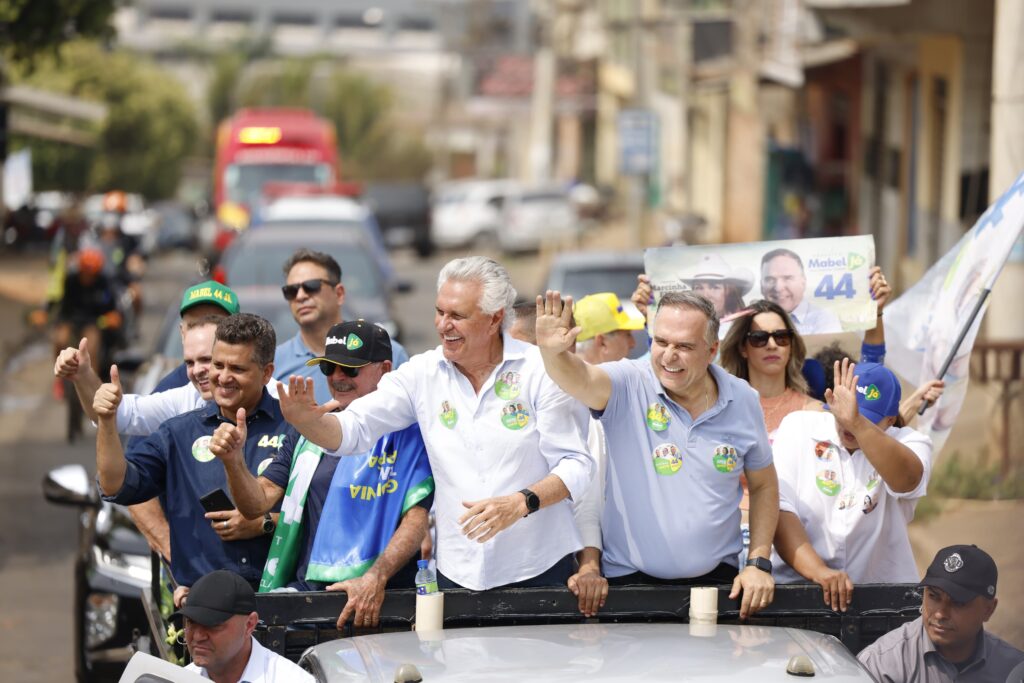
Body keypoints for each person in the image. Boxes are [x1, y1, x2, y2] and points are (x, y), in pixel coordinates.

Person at [278, 256, 593, 591]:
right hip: (458, 573)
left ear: (494, 319)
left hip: (538, 567)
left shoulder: (540, 369)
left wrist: (519, 503)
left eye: (457, 315)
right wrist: (308, 423)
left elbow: (576, 464)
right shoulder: (422, 373)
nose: (443, 325)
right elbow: (355, 429)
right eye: (440, 312)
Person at [536, 289, 778, 619]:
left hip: (718, 585)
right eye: (661, 342)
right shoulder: (628, 383)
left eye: (684, 346)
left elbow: (764, 485)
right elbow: (581, 378)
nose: (669, 356)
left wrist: (758, 563)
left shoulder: (743, 398)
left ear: (712, 350)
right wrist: (553, 355)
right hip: (630, 585)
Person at [209, 320, 433, 628]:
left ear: (385, 369)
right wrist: (233, 462)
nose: (338, 377)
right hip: (311, 598)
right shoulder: (309, 428)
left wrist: (375, 578)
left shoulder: (411, 432)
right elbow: (256, 504)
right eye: (329, 367)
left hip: (380, 601)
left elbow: (416, 521)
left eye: (350, 369)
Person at [94, 314, 287, 592]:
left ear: (267, 373)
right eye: (218, 365)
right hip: (203, 604)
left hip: (284, 601)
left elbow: (320, 517)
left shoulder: (295, 428)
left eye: (237, 368)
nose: (223, 377)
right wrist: (106, 421)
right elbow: (116, 484)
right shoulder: (178, 433)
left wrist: (264, 523)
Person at [771, 359, 933, 611]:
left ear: (890, 420)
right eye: (843, 414)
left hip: (881, 600)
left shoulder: (912, 442)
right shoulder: (798, 427)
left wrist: (857, 423)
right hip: (799, 590)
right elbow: (779, 508)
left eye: (867, 418)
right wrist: (820, 572)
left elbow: (907, 480)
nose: (848, 425)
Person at [569, 292, 647, 617]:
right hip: (594, 575)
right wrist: (590, 564)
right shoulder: (582, 407)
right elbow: (586, 498)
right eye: (625, 334)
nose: (633, 343)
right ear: (601, 341)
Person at [857, 545, 1024, 682]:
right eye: (933, 596)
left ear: (988, 609)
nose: (940, 614)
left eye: (958, 602)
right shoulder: (881, 665)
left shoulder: (1014, 670)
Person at [274, 249, 409, 405]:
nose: (300, 296)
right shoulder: (274, 364)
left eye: (311, 286)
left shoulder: (390, 354)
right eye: (291, 290)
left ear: (339, 293)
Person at [179, 569, 313, 683]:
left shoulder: (292, 679)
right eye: (191, 622)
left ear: (249, 625)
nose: (198, 636)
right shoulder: (178, 679)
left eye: (212, 624)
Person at [53, 248, 120, 377]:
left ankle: (92, 380)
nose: (88, 276)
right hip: (72, 319)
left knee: (91, 348)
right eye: (86, 272)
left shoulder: (104, 283)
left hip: (93, 322)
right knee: (60, 340)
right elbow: (64, 307)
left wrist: (111, 318)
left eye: (92, 273)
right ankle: (60, 377)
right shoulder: (71, 281)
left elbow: (111, 310)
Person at [760, 248, 842, 335]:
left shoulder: (825, 320)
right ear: (761, 285)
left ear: (803, 282)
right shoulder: (754, 320)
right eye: (770, 279)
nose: (778, 287)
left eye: (787, 278)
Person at [678, 253, 754, 318]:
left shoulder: (745, 324)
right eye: (699, 288)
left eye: (715, 287)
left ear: (730, 292)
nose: (706, 295)